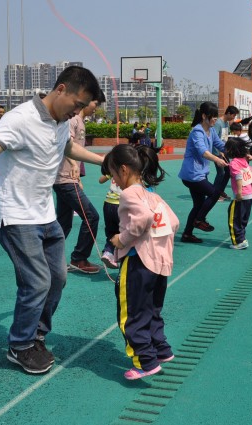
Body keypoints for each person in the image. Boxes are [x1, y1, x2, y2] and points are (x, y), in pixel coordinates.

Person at [0, 66, 103, 374]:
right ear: (61, 89)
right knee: (37, 281)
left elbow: (66, 146)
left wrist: (103, 159)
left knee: (57, 277)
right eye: (78, 104)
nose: (79, 112)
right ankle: (19, 345)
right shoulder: (19, 118)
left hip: (45, 215)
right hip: (16, 217)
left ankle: (36, 336)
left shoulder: (61, 121)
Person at [104, 143, 179, 380]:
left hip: (138, 262)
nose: (113, 180)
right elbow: (174, 222)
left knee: (131, 315)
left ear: (124, 170)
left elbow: (143, 218)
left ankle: (145, 362)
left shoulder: (128, 194)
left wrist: (121, 240)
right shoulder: (151, 194)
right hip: (158, 263)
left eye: (113, 174)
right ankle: (161, 350)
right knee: (152, 309)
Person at [53, 90, 106, 274]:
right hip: (65, 179)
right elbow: (66, 146)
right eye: (95, 104)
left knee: (63, 223)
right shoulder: (72, 120)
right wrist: (74, 166)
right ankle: (79, 259)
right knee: (91, 216)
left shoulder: (80, 121)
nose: (95, 108)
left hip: (67, 179)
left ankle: (47, 256)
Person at [177, 102, 228, 244]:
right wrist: (217, 159)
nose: (215, 120)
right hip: (192, 175)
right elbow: (203, 151)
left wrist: (240, 153)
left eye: (216, 117)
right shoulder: (197, 131)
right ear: (204, 116)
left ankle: (187, 234)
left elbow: (221, 145)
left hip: (199, 174)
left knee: (198, 204)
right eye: (212, 117)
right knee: (215, 193)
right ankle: (199, 220)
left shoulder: (211, 131)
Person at [225, 137, 252, 250]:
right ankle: (242, 238)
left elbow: (239, 177)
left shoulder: (234, 163)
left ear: (230, 150)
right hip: (249, 195)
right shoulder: (244, 161)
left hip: (241, 196)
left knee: (234, 219)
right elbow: (251, 173)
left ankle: (238, 241)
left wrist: (239, 192)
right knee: (243, 218)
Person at [213, 106, 239, 201]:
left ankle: (220, 191)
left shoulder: (226, 123)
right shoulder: (218, 123)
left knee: (228, 172)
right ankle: (214, 193)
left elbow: (225, 138)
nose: (234, 117)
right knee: (221, 173)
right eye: (233, 115)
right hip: (217, 152)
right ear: (228, 113)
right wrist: (220, 152)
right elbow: (214, 138)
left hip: (224, 151)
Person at [98, 163, 121, 269]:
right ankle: (118, 256)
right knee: (123, 232)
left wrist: (109, 173)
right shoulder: (129, 170)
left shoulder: (114, 168)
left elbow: (100, 180)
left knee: (111, 232)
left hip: (108, 203)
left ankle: (108, 253)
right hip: (120, 204)